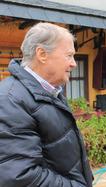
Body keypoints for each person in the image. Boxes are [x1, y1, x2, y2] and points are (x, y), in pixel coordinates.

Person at [0, 23, 93, 187]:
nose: (74, 64)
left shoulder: (50, 90)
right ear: (42, 54)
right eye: (69, 55)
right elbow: (21, 177)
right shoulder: (10, 100)